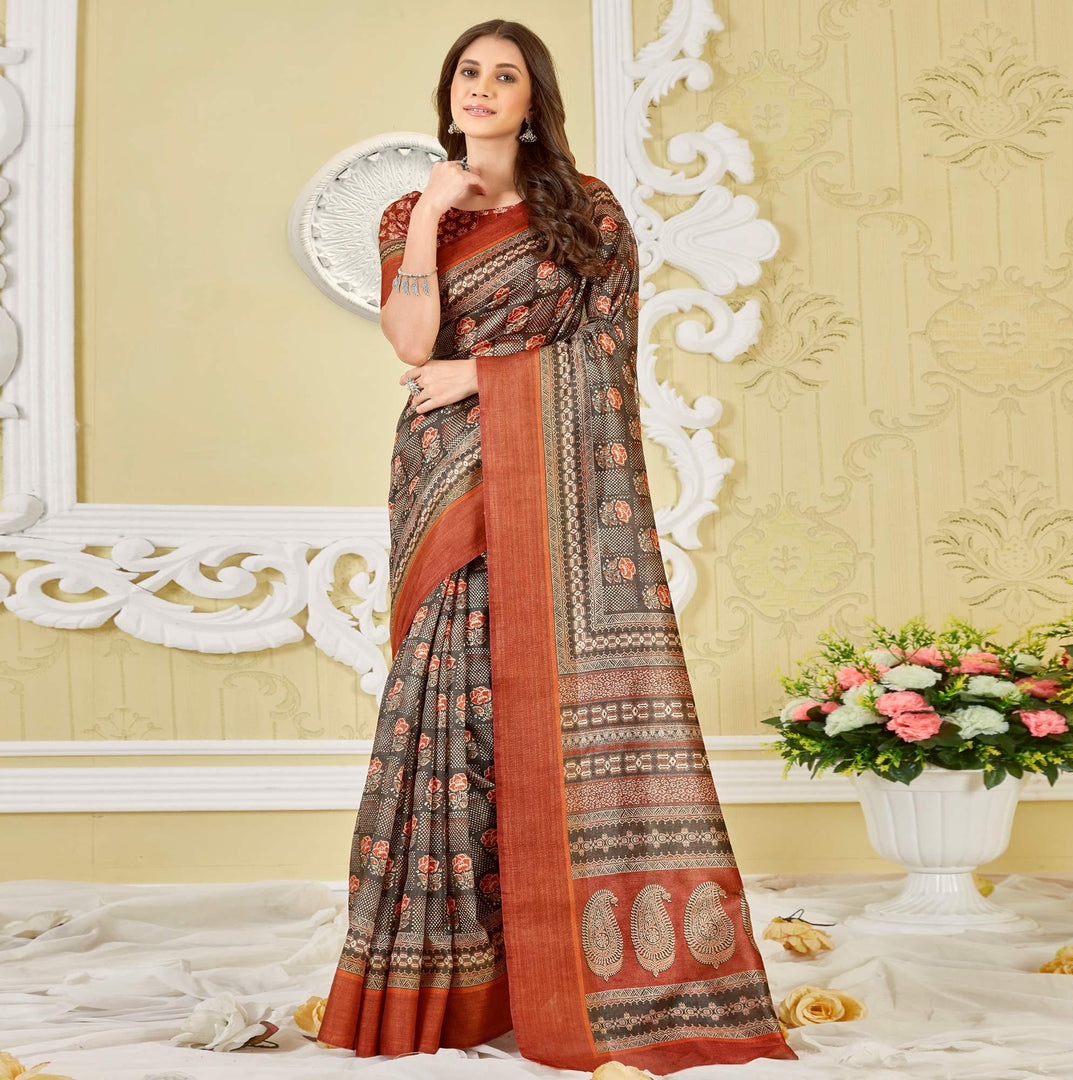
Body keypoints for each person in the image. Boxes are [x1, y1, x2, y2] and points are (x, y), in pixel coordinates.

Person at [316, 18, 797, 1073]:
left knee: (540, 696)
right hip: (446, 475)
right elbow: (409, 342)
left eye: (506, 76)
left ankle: (572, 976)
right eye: (469, 72)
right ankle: (451, 986)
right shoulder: (413, 209)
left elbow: (607, 356)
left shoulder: (586, 208)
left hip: (550, 475)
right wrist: (429, 216)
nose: (483, 88)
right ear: (448, 88)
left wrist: (484, 377)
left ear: (533, 101)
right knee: (446, 698)